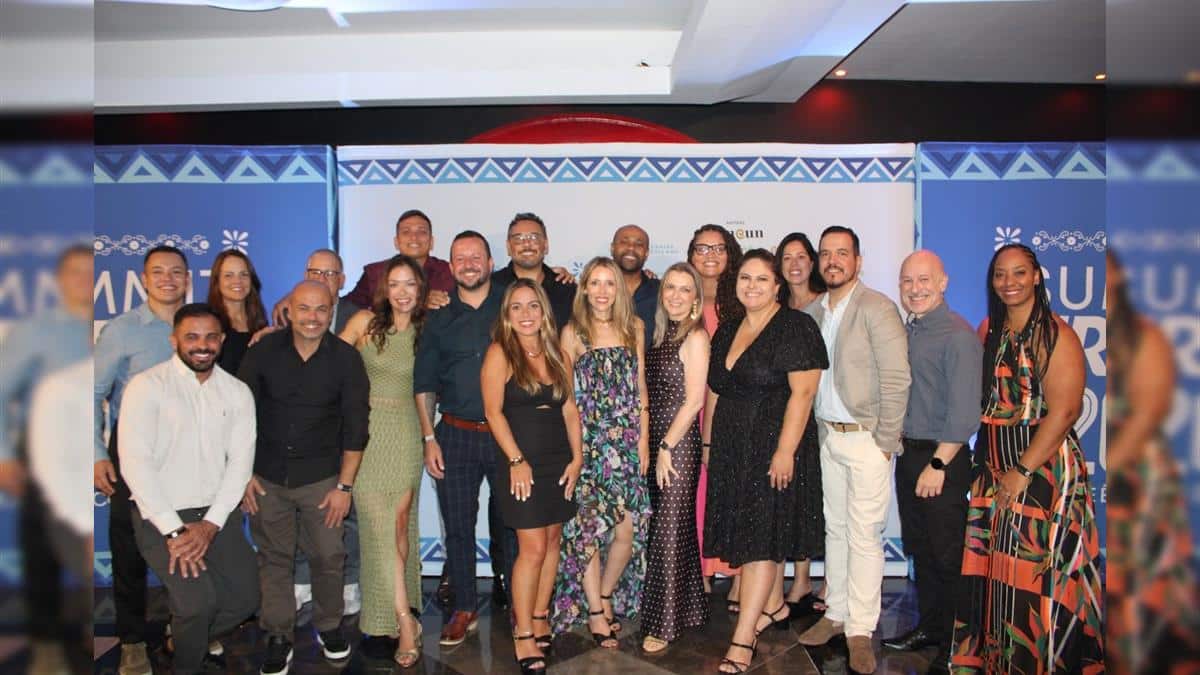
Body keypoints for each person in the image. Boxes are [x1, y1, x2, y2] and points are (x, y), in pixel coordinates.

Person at [950, 244, 1104, 673]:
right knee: (996, 575)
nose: (1009, 282)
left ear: (1036, 277)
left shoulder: (1055, 335)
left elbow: (1066, 411)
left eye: (1019, 273)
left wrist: (1022, 470)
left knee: (1036, 577)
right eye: (1001, 274)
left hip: (1041, 471)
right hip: (993, 466)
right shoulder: (989, 329)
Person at [117, 304, 259, 675]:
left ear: (222, 340)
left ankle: (180, 638)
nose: (202, 345)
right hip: (161, 516)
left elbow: (240, 465)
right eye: (192, 337)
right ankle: (186, 663)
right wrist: (175, 531)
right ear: (174, 340)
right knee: (197, 604)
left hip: (216, 515)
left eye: (211, 337)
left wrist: (210, 525)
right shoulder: (146, 387)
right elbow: (135, 465)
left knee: (247, 598)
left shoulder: (237, 392)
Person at [237, 280, 370, 674]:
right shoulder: (263, 352)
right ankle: (278, 634)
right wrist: (242, 475)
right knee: (275, 559)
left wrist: (344, 487)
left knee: (329, 555)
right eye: (305, 309)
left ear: (331, 313)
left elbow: (356, 428)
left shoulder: (346, 359)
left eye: (321, 309)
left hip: (322, 480)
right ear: (289, 311)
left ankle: (328, 626)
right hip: (266, 477)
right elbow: (238, 415)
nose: (313, 317)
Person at [704, 250, 826, 674]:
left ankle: (743, 638)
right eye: (745, 278)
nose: (751, 286)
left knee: (760, 540)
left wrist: (785, 451)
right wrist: (709, 444)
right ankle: (773, 607)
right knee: (752, 534)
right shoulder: (729, 328)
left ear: (777, 285)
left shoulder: (796, 327)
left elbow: (804, 394)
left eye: (761, 279)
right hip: (732, 449)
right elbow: (717, 391)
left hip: (774, 448)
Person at [797, 226, 910, 675]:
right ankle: (837, 613)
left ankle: (861, 629)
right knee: (837, 529)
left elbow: (897, 379)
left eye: (842, 253)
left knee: (864, 535)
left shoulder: (877, 308)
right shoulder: (813, 312)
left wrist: (885, 443)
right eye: (826, 253)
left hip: (867, 439)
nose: (833, 261)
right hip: (828, 437)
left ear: (857, 261)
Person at [414, 230, 518, 647]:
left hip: (506, 435)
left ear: (491, 263)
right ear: (451, 266)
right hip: (454, 435)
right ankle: (463, 607)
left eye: (477, 257)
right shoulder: (438, 318)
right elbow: (424, 383)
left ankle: (518, 602)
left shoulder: (512, 307)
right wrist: (428, 437)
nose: (469, 264)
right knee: (457, 525)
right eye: (460, 258)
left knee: (511, 523)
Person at [880, 250, 980, 672]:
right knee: (921, 551)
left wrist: (938, 465)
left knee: (947, 556)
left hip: (942, 460)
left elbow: (965, 411)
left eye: (924, 280)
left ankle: (959, 646)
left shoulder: (957, 335)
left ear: (943, 283)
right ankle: (932, 628)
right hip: (911, 455)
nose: (915, 289)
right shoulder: (910, 331)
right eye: (907, 281)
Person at [94, 244, 189, 675]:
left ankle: (181, 627)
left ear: (187, 279)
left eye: (176, 271)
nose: (168, 279)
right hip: (134, 449)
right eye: (158, 271)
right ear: (144, 279)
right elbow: (92, 393)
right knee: (129, 547)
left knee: (185, 542)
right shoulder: (122, 330)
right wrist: (96, 453)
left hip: (188, 450)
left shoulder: (200, 324)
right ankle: (132, 641)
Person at [0, 244, 94, 674]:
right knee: (42, 553)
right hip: (44, 452)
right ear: (59, 279)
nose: (83, 279)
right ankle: (47, 645)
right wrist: (4, 456)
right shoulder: (35, 331)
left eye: (90, 271)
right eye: (75, 271)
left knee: (96, 545)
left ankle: (95, 628)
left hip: (98, 451)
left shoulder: (112, 329)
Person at [1105, 250, 1200, 675]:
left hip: (1138, 483)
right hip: (1108, 476)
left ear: (1119, 277)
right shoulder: (1076, 333)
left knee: (1142, 591)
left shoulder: (1145, 337)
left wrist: (1108, 469)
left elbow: (1146, 417)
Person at [481, 279, 583, 673]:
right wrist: (516, 460)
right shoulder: (500, 352)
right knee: (533, 549)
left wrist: (577, 458)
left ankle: (541, 615)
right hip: (521, 462)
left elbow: (570, 410)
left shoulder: (558, 353)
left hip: (559, 460)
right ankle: (523, 631)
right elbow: (493, 413)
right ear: (507, 315)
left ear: (544, 311)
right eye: (517, 307)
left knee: (553, 539)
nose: (526, 314)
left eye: (533, 306)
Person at [552, 256, 652, 647]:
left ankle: (606, 594)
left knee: (627, 530)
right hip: (590, 444)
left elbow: (640, 385)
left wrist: (643, 439)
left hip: (626, 443)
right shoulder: (572, 333)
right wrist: (574, 450)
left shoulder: (634, 327)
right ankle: (595, 610)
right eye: (594, 283)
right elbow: (567, 399)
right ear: (584, 288)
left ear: (619, 289)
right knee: (588, 530)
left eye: (609, 283)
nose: (602, 291)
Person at [335, 255, 428, 667]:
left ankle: (397, 609)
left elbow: (428, 389)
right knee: (378, 528)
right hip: (366, 436)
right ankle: (404, 620)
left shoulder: (427, 331)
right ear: (384, 289)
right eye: (395, 284)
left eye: (410, 284)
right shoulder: (363, 323)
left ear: (420, 289)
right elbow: (328, 362)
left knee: (400, 523)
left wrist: (429, 437)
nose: (402, 292)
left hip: (406, 431)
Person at [639, 263, 711, 654]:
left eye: (685, 289)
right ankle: (692, 609)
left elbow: (695, 400)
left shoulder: (695, 336)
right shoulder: (661, 333)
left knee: (668, 531)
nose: (677, 296)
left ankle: (663, 625)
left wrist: (666, 447)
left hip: (677, 446)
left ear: (696, 297)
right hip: (659, 444)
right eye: (670, 287)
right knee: (673, 528)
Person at [289, 248, 362, 614]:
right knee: (303, 510)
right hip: (304, 433)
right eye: (315, 272)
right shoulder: (288, 316)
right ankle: (302, 578)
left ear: (342, 280)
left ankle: (349, 582)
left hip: (346, 431)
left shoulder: (360, 317)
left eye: (330, 273)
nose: (322, 279)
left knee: (348, 512)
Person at [686, 225, 743, 603]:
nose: (710, 255)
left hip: (733, 411)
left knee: (734, 493)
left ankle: (739, 574)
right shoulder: (678, 299)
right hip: (690, 411)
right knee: (697, 494)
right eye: (702, 248)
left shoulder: (743, 301)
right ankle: (701, 571)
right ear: (691, 254)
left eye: (718, 248)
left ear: (730, 253)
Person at [774, 232, 828, 616]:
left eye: (801, 256)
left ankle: (806, 579)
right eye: (787, 257)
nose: (794, 264)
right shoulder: (774, 308)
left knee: (812, 499)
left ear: (812, 262)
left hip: (822, 412)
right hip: (786, 414)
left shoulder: (827, 305)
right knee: (789, 498)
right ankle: (789, 579)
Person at [345, 209, 455, 308]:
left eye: (422, 232)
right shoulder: (375, 273)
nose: (414, 237)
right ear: (396, 242)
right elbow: (348, 308)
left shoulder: (449, 272)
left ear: (431, 242)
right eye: (406, 232)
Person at [490, 212, 575, 330]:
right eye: (518, 238)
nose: (527, 244)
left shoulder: (567, 289)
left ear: (546, 246)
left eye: (534, 237)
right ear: (508, 247)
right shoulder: (491, 288)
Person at [206, 249, 268, 374]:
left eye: (243, 274)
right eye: (229, 275)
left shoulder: (261, 325)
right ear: (217, 281)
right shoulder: (209, 324)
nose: (237, 281)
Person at [611, 224, 659, 346]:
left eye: (639, 244)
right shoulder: (595, 293)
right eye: (624, 242)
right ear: (612, 248)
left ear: (646, 253)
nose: (631, 247)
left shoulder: (661, 292)